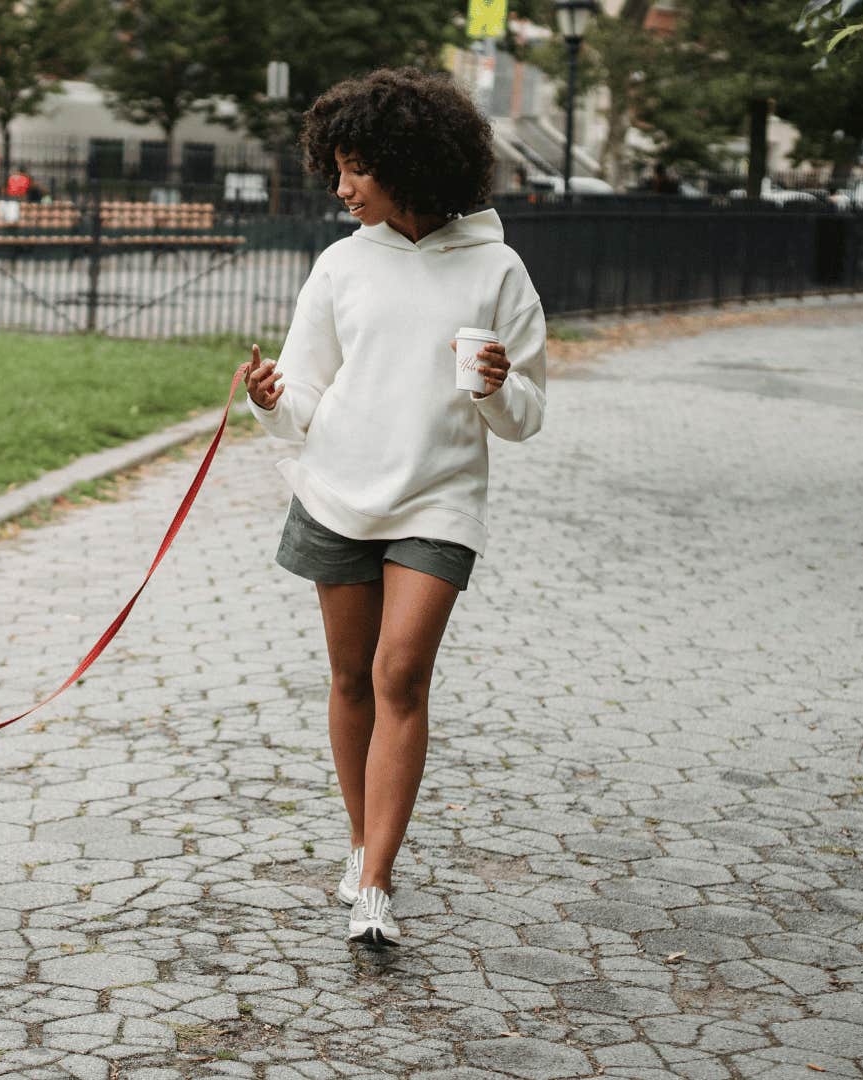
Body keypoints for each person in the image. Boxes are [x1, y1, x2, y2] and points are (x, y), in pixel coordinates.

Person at [241, 67, 547, 948]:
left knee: (399, 676)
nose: (340, 188)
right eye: (334, 168)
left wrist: (496, 389)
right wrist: (268, 397)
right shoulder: (340, 264)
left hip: (439, 501)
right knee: (348, 680)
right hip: (337, 492)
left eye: (354, 169)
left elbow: (527, 414)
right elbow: (299, 398)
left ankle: (376, 882)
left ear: (408, 164)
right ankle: (358, 840)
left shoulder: (497, 268)